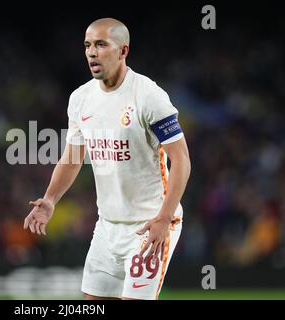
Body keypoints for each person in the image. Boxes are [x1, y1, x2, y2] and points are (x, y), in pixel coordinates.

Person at [23, 18, 191, 300]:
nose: (91, 52)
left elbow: (182, 160)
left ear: (123, 50)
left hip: (150, 225)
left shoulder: (149, 96)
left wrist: (164, 218)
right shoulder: (80, 98)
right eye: (88, 45)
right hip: (107, 227)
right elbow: (73, 156)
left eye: (101, 44)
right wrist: (50, 199)